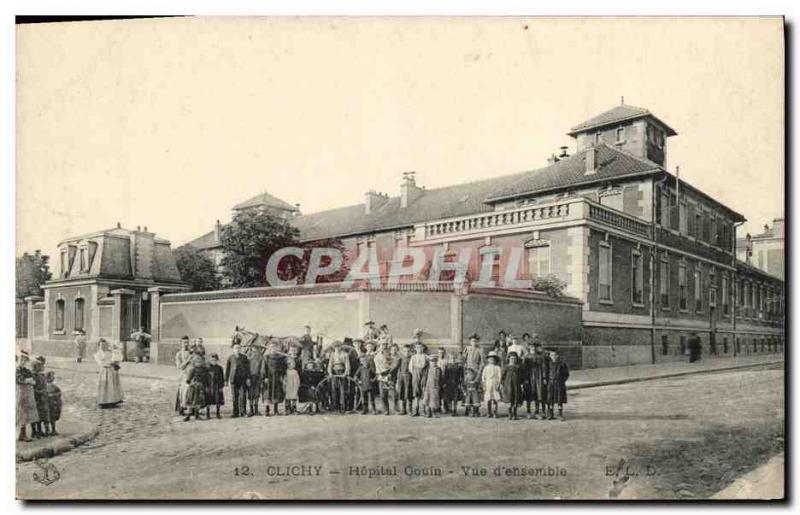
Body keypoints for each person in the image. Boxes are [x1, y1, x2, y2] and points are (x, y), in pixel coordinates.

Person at [16, 352, 39, 441]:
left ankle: (23, 434)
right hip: (19, 392)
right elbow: (19, 380)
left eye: (24, 360)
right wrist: (27, 380)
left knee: (25, 413)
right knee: (19, 413)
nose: (23, 362)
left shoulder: (27, 371)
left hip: (27, 393)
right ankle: (19, 434)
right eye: (21, 360)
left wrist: (28, 381)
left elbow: (33, 381)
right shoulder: (16, 370)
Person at [95, 338, 124, 408]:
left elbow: (116, 358)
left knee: (112, 386)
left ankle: (113, 400)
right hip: (104, 371)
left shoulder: (109, 352)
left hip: (111, 371)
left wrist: (115, 363)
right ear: (99, 345)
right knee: (104, 386)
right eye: (101, 345)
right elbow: (101, 363)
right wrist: (111, 363)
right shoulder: (97, 354)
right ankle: (103, 401)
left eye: (105, 345)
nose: (103, 346)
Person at [225, 343, 250, 418]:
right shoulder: (230, 358)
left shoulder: (244, 357)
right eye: (236, 348)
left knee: (243, 396)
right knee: (234, 397)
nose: (237, 349)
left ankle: (243, 412)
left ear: (241, 349)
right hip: (233, 380)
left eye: (239, 348)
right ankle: (235, 413)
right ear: (233, 349)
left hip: (242, 380)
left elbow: (247, 369)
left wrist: (248, 378)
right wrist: (226, 380)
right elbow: (227, 369)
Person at [327, 340, 351, 414]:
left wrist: (345, 373)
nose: (337, 348)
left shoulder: (345, 354)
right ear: (334, 348)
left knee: (343, 391)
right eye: (335, 347)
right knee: (334, 391)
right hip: (334, 373)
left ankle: (343, 408)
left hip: (342, 372)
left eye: (338, 347)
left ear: (341, 347)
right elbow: (330, 365)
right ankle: (335, 408)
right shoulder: (332, 355)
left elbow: (347, 365)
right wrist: (330, 373)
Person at [373, 344, 397, 415]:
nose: (383, 348)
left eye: (384, 347)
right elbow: (377, 366)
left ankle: (395, 408)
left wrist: (389, 371)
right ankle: (386, 409)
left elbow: (393, 365)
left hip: (390, 376)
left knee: (393, 393)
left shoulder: (391, 356)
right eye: (381, 347)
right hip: (381, 376)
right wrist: (380, 373)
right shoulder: (377, 357)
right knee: (383, 394)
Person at [263, 341, 286, 416]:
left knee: (276, 393)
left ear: (277, 348)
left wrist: (282, 376)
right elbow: (264, 368)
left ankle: (276, 410)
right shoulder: (266, 357)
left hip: (277, 378)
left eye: (275, 347)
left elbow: (283, 368)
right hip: (269, 378)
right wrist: (265, 377)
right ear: (269, 348)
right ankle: (267, 410)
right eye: (272, 347)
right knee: (267, 393)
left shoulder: (280, 358)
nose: (273, 349)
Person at [183, 354, 208, 421]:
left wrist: (204, 385)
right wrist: (191, 383)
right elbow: (188, 379)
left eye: (200, 362)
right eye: (197, 362)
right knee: (190, 401)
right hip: (193, 387)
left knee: (198, 401)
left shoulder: (204, 370)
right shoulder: (192, 369)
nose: (199, 363)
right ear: (194, 362)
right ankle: (188, 415)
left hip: (200, 387)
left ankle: (197, 414)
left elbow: (205, 378)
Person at [546, 350, 570, 421]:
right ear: (550, 356)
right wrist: (547, 381)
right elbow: (545, 373)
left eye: (555, 355)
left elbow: (566, 374)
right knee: (550, 398)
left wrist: (562, 381)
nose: (554, 356)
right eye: (552, 355)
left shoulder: (562, 364)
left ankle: (560, 414)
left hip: (559, 383)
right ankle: (550, 413)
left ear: (558, 356)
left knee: (559, 398)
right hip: (551, 383)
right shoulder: (548, 364)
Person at [528, 341, 549, 419]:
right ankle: (528, 411)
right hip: (530, 376)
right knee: (529, 393)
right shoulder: (527, 356)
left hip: (538, 376)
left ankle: (538, 411)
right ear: (529, 347)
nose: (533, 348)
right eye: (531, 346)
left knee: (539, 393)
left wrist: (544, 377)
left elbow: (544, 367)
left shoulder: (540, 356)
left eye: (534, 347)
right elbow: (524, 368)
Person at [244, 343, 266, 416]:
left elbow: (262, 369)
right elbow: (246, 369)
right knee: (250, 394)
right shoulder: (247, 358)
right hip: (250, 378)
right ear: (251, 350)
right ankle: (251, 410)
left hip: (258, 378)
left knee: (256, 394)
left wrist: (262, 378)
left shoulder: (260, 358)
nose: (255, 352)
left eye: (256, 350)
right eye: (253, 350)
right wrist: (247, 378)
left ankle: (256, 410)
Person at [32, 357, 50, 437]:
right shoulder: (34, 376)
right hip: (37, 397)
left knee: (44, 414)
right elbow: (33, 387)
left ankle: (45, 430)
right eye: (40, 366)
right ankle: (37, 431)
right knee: (37, 415)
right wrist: (40, 391)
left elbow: (45, 384)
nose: (42, 367)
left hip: (43, 397)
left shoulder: (41, 375)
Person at [408, 342, 428, 417]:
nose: (419, 349)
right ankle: (416, 410)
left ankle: (423, 410)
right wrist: (414, 373)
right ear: (415, 349)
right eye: (417, 347)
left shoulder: (425, 356)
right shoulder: (413, 357)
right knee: (416, 392)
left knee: (423, 392)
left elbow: (428, 366)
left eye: (420, 347)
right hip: (416, 374)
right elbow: (410, 368)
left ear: (423, 348)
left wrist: (425, 374)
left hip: (423, 374)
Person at [174, 336, 193, 414]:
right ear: (181, 343)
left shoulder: (191, 352)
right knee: (183, 392)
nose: (186, 344)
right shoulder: (179, 354)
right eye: (184, 342)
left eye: (187, 342)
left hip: (192, 374)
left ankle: (192, 409)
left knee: (192, 391)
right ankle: (182, 408)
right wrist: (188, 360)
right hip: (184, 375)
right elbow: (180, 366)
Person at [502, 352, 523, 420]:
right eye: (511, 358)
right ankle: (510, 414)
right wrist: (502, 384)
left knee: (516, 397)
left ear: (516, 359)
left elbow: (521, 376)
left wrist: (521, 384)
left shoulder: (518, 367)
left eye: (514, 358)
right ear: (509, 359)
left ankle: (515, 414)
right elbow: (503, 376)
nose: (513, 360)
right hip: (508, 384)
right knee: (509, 398)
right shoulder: (506, 367)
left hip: (516, 385)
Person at [481, 351, 502, 418]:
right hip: (488, 383)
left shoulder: (497, 367)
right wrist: (484, 384)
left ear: (496, 360)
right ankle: (489, 412)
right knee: (488, 398)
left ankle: (495, 411)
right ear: (488, 360)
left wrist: (498, 384)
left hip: (495, 384)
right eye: (490, 359)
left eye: (493, 359)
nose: (492, 360)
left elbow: (499, 376)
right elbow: (483, 377)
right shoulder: (486, 368)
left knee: (495, 398)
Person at [395, 344, 413, 415]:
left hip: (409, 377)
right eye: (405, 351)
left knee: (409, 393)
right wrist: (398, 378)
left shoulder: (412, 358)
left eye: (408, 351)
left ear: (410, 351)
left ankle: (410, 410)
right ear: (402, 351)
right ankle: (403, 409)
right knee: (402, 393)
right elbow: (397, 368)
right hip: (401, 377)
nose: (407, 352)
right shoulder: (400, 358)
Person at [205, 353, 225, 419]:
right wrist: (205, 386)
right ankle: (208, 414)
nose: (214, 361)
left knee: (218, 399)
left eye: (215, 360)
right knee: (208, 400)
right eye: (212, 360)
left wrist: (221, 386)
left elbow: (222, 378)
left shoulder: (219, 368)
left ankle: (218, 413)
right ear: (210, 360)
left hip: (217, 386)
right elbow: (204, 378)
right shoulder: (207, 368)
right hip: (209, 386)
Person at [423, 354, 442, 418]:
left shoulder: (438, 369)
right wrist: (424, 385)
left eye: (434, 361)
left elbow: (441, 378)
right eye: (431, 361)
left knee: (434, 399)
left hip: (435, 386)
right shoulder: (427, 369)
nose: (433, 363)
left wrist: (440, 385)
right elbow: (425, 378)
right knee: (428, 398)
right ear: (429, 362)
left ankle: (433, 412)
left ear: (436, 362)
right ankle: (428, 412)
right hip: (428, 386)